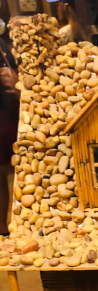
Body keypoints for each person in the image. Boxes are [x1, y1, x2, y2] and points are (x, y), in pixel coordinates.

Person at [0, 31, 18, 236]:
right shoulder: (2, 44)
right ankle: (2, 225)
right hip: (4, 116)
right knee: (2, 174)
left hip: (3, 117)